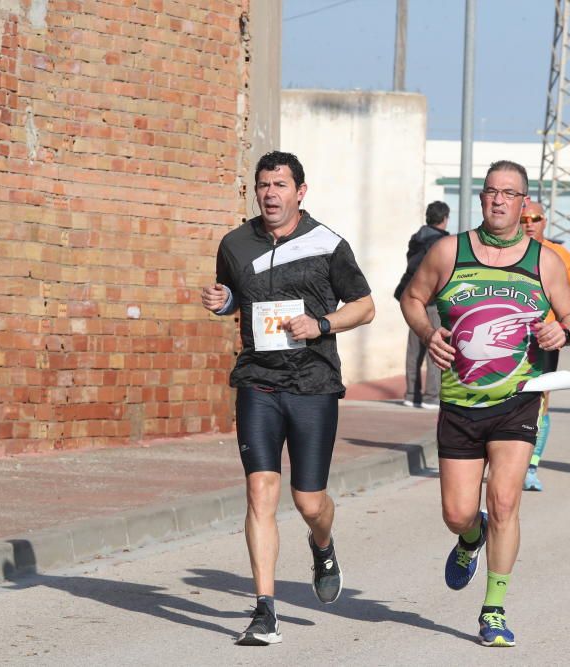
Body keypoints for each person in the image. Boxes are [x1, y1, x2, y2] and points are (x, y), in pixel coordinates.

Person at [400, 160, 570, 647]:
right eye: (491, 192)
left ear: (524, 204)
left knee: (504, 501)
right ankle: (469, 538)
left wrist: (560, 329)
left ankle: (494, 609)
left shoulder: (544, 261)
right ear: (481, 199)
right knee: (458, 513)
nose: (499, 200)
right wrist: (427, 331)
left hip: (517, 398)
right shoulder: (448, 251)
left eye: (509, 193)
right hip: (460, 403)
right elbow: (412, 298)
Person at [201, 151, 375, 646]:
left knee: (309, 500)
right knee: (260, 492)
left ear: (301, 191)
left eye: (280, 185)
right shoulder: (235, 243)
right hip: (257, 380)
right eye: (263, 185)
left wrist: (321, 324)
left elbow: (364, 306)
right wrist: (225, 302)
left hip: (313, 383)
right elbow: (236, 295)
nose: (270, 193)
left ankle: (322, 545)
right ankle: (264, 610)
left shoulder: (328, 243)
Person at [517, 201, 570, 492]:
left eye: (536, 218)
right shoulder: (507, 252)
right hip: (511, 337)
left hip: (545, 338)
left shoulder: (557, 253)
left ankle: (531, 465)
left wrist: (562, 306)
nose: (529, 223)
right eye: (524, 218)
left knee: (540, 400)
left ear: (545, 222)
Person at [394, 201, 450, 409]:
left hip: (412, 298)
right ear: (445, 218)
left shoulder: (416, 239)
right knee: (435, 345)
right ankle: (432, 396)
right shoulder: (443, 242)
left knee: (413, 348)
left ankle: (411, 394)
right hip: (434, 300)